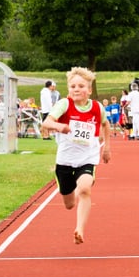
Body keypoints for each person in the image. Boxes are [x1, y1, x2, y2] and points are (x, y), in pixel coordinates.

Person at [41, 67, 112, 244]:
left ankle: (79, 229)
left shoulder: (97, 107)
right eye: (73, 86)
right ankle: (69, 191)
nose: (76, 89)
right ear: (68, 89)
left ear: (89, 90)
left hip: (87, 158)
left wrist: (107, 148)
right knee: (69, 204)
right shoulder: (64, 104)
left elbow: (106, 124)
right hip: (65, 160)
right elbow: (47, 122)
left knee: (85, 189)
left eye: (81, 86)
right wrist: (59, 127)